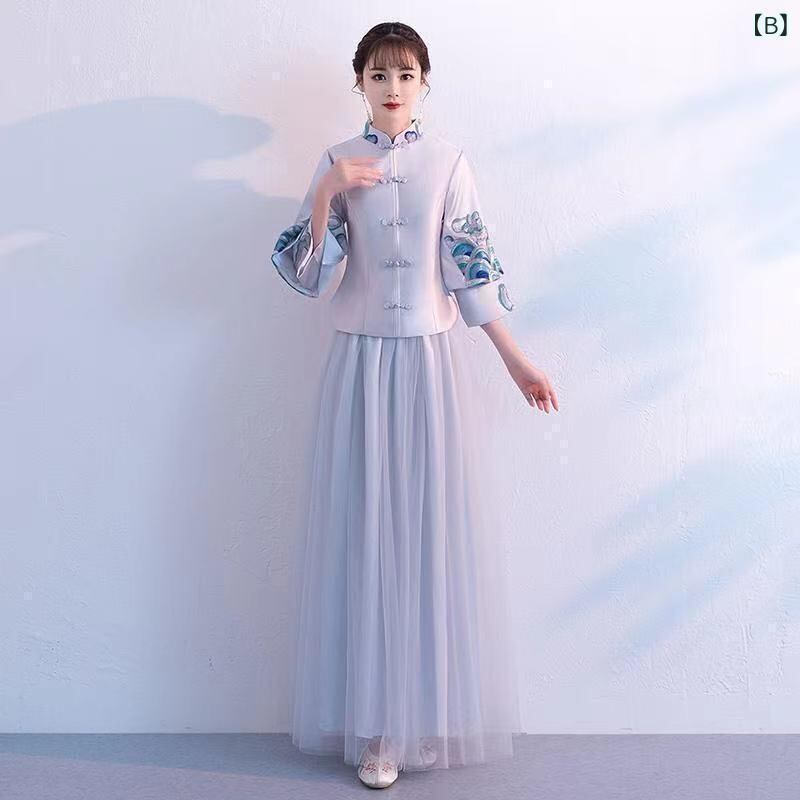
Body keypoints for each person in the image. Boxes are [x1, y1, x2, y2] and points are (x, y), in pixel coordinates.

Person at [271, 21, 559, 789]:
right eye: (378, 74)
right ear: (359, 83)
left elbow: (471, 271)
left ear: (424, 83)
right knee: (366, 537)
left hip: (431, 366)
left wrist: (517, 363)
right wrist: (328, 192)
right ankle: (375, 733)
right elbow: (308, 277)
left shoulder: (449, 163)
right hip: (361, 366)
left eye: (405, 74)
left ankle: (417, 718)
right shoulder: (337, 160)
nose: (392, 87)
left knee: (426, 537)